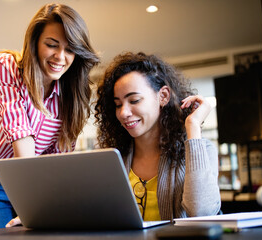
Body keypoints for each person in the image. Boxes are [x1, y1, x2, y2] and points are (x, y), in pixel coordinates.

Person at [0, 3, 99, 231]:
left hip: (38, 187)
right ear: (35, 42)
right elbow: (20, 132)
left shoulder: (71, 96)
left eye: (70, 50)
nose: (60, 57)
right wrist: (32, 204)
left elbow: (57, 161)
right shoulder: (7, 66)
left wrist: (49, 204)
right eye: (51, 45)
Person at [94, 52, 221, 221]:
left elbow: (202, 212)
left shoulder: (203, 150)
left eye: (134, 100)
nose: (123, 113)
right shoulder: (113, 157)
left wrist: (193, 125)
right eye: (118, 104)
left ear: (163, 96)